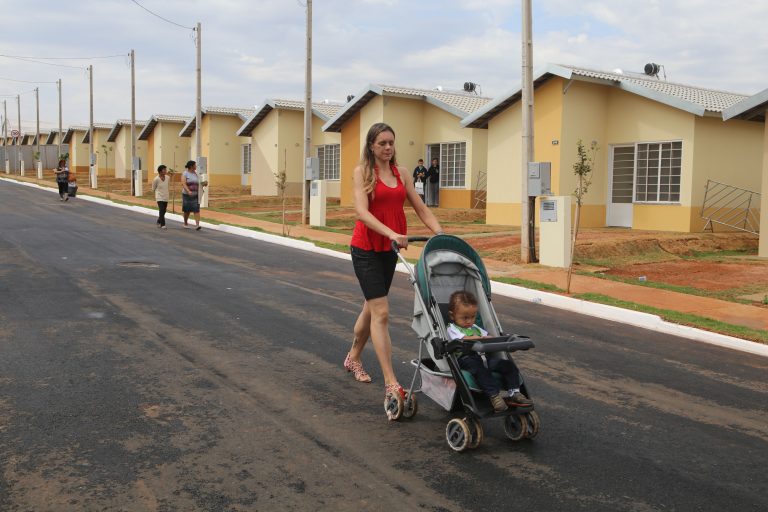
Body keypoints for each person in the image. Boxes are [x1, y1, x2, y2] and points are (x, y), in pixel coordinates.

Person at [345, 122, 445, 419]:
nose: (388, 148)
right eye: (382, 143)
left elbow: (419, 206)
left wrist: (440, 232)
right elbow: (361, 212)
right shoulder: (362, 172)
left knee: (370, 308)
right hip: (366, 248)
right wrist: (390, 232)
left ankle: (353, 357)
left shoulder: (401, 173)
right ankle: (391, 384)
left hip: (389, 249)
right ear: (372, 145)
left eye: (391, 142)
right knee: (382, 311)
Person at [446, 290, 533, 411]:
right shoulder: (452, 329)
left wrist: (496, 339)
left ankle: (515, 392)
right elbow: (463, 339)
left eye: (472, 317)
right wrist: (481, 338)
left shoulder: (475, 327)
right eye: (465, 318)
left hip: (484, 358)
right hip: (466, 359)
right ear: (452, 316)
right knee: (480, 370)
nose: (469, 321)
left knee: (507, 365)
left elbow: (489, 337)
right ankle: (494, 396)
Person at [181, 160, 202, 230]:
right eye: (195, 165)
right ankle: (185, 223)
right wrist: (188, 191)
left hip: (196, 195)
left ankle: (197, 225)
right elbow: (183, 183)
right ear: (191, 166)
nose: (196, 166)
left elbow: (199, 183)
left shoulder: (196, 174)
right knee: (187, 210)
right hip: (187, 195)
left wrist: (203, 184)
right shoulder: (185, 173)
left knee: (196, 209)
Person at [152, 164, 170, 229]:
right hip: (159, 196)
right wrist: (156, 195)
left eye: (166, 169)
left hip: (166, 196)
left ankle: (159, 220)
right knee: (161, 209)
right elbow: (153, 188)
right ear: (160, 171)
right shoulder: (156, 179)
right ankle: (163, 224)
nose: (165, 171)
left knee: (164, 210)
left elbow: (168, 185)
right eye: (164, 169)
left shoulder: (168, 177)